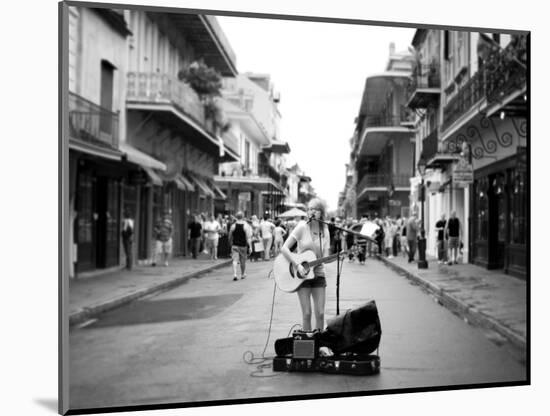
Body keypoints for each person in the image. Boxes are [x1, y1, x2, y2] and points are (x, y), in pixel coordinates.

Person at [280, 198, 331, 331]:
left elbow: (325, 257)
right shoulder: (302, 227)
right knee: (307, 314)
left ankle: (320, 346)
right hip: (302, 276)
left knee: (320, 313)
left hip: (319, 274)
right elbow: (284, 248)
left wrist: (337, 256)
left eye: (315, 209)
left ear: (321, 213)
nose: (311, 212)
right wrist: (297, 265)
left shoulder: (325, 230)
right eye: (309, 209)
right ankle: (308, 345)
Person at [228, 211, 252, 281]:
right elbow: (248, 237)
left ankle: (235, 274)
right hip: (243, 245)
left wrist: (230, 243)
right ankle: (242, 274)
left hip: (235, 245)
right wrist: (250, 246)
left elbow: (229, 236)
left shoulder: (233, 226)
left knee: (235, 260)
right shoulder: (246, 226)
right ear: (243, 217)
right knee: (242, 261)